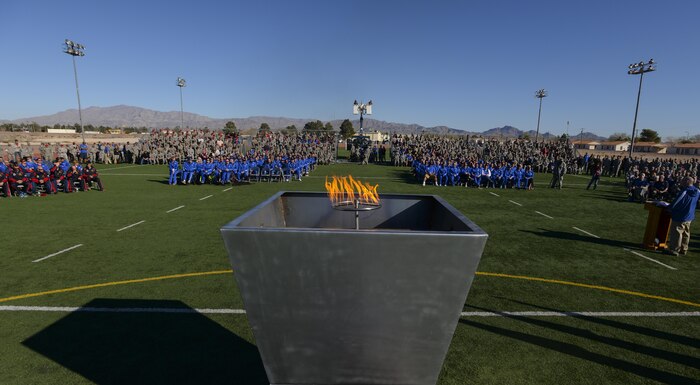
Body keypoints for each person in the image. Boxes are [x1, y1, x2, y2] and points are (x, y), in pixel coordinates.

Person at [665, 176, 698, 256]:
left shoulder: (685, 191)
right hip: (690, 215)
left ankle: (674, 249)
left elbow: (677, 202)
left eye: (682, 180)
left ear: (687, 181)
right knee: (686, 232)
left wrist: (669, 208)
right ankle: (684, 248)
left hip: (680, 215)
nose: (681, 181)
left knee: (677, 232)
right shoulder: (698, 191)